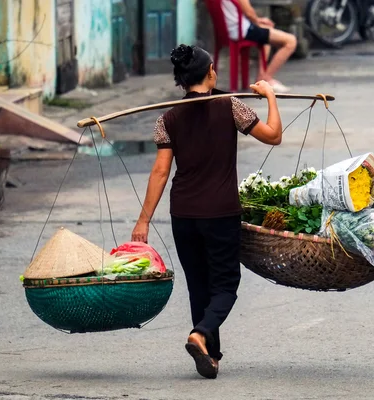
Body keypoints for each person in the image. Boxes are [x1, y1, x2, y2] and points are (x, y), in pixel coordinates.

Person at [131, 44, 283, 379]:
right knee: (226, 286)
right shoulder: (230, 106)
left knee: (199, 286)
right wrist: (270, 96)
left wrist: (143, 221)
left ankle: (209, 355)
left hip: (183, 215)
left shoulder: (166, 118)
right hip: (220, 212)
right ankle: (200, 336)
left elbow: (160, 172)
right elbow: (273, 136)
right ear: (211, 70)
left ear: (181, 80)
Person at [221, 0, 297, 93]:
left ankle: (262, 76)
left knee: (266, 31)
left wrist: (259, 21)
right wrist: (257, 21)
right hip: (242, 30)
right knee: (291, 41)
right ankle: (267, 78)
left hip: (232, 29)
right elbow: (249, 13)